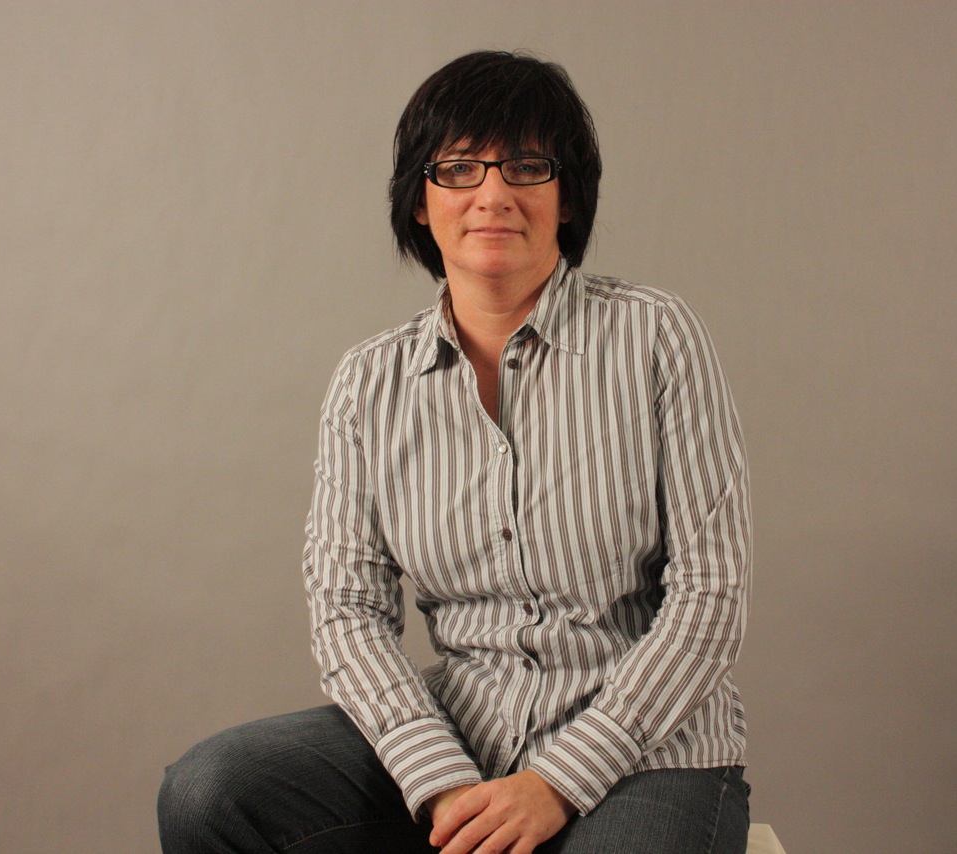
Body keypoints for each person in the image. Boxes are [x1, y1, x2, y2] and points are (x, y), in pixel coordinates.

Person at [158, 50, 752, 854]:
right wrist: (439, 780)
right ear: (419, 201)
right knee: (209, 793)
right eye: (460, 168)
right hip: (462, 731)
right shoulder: (369, 383)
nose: (493, 195)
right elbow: (348, 612)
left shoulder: (656, 338)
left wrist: (557, 782)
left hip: (649, 749)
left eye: (527, 167)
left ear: (568, 198)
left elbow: (711, 595)